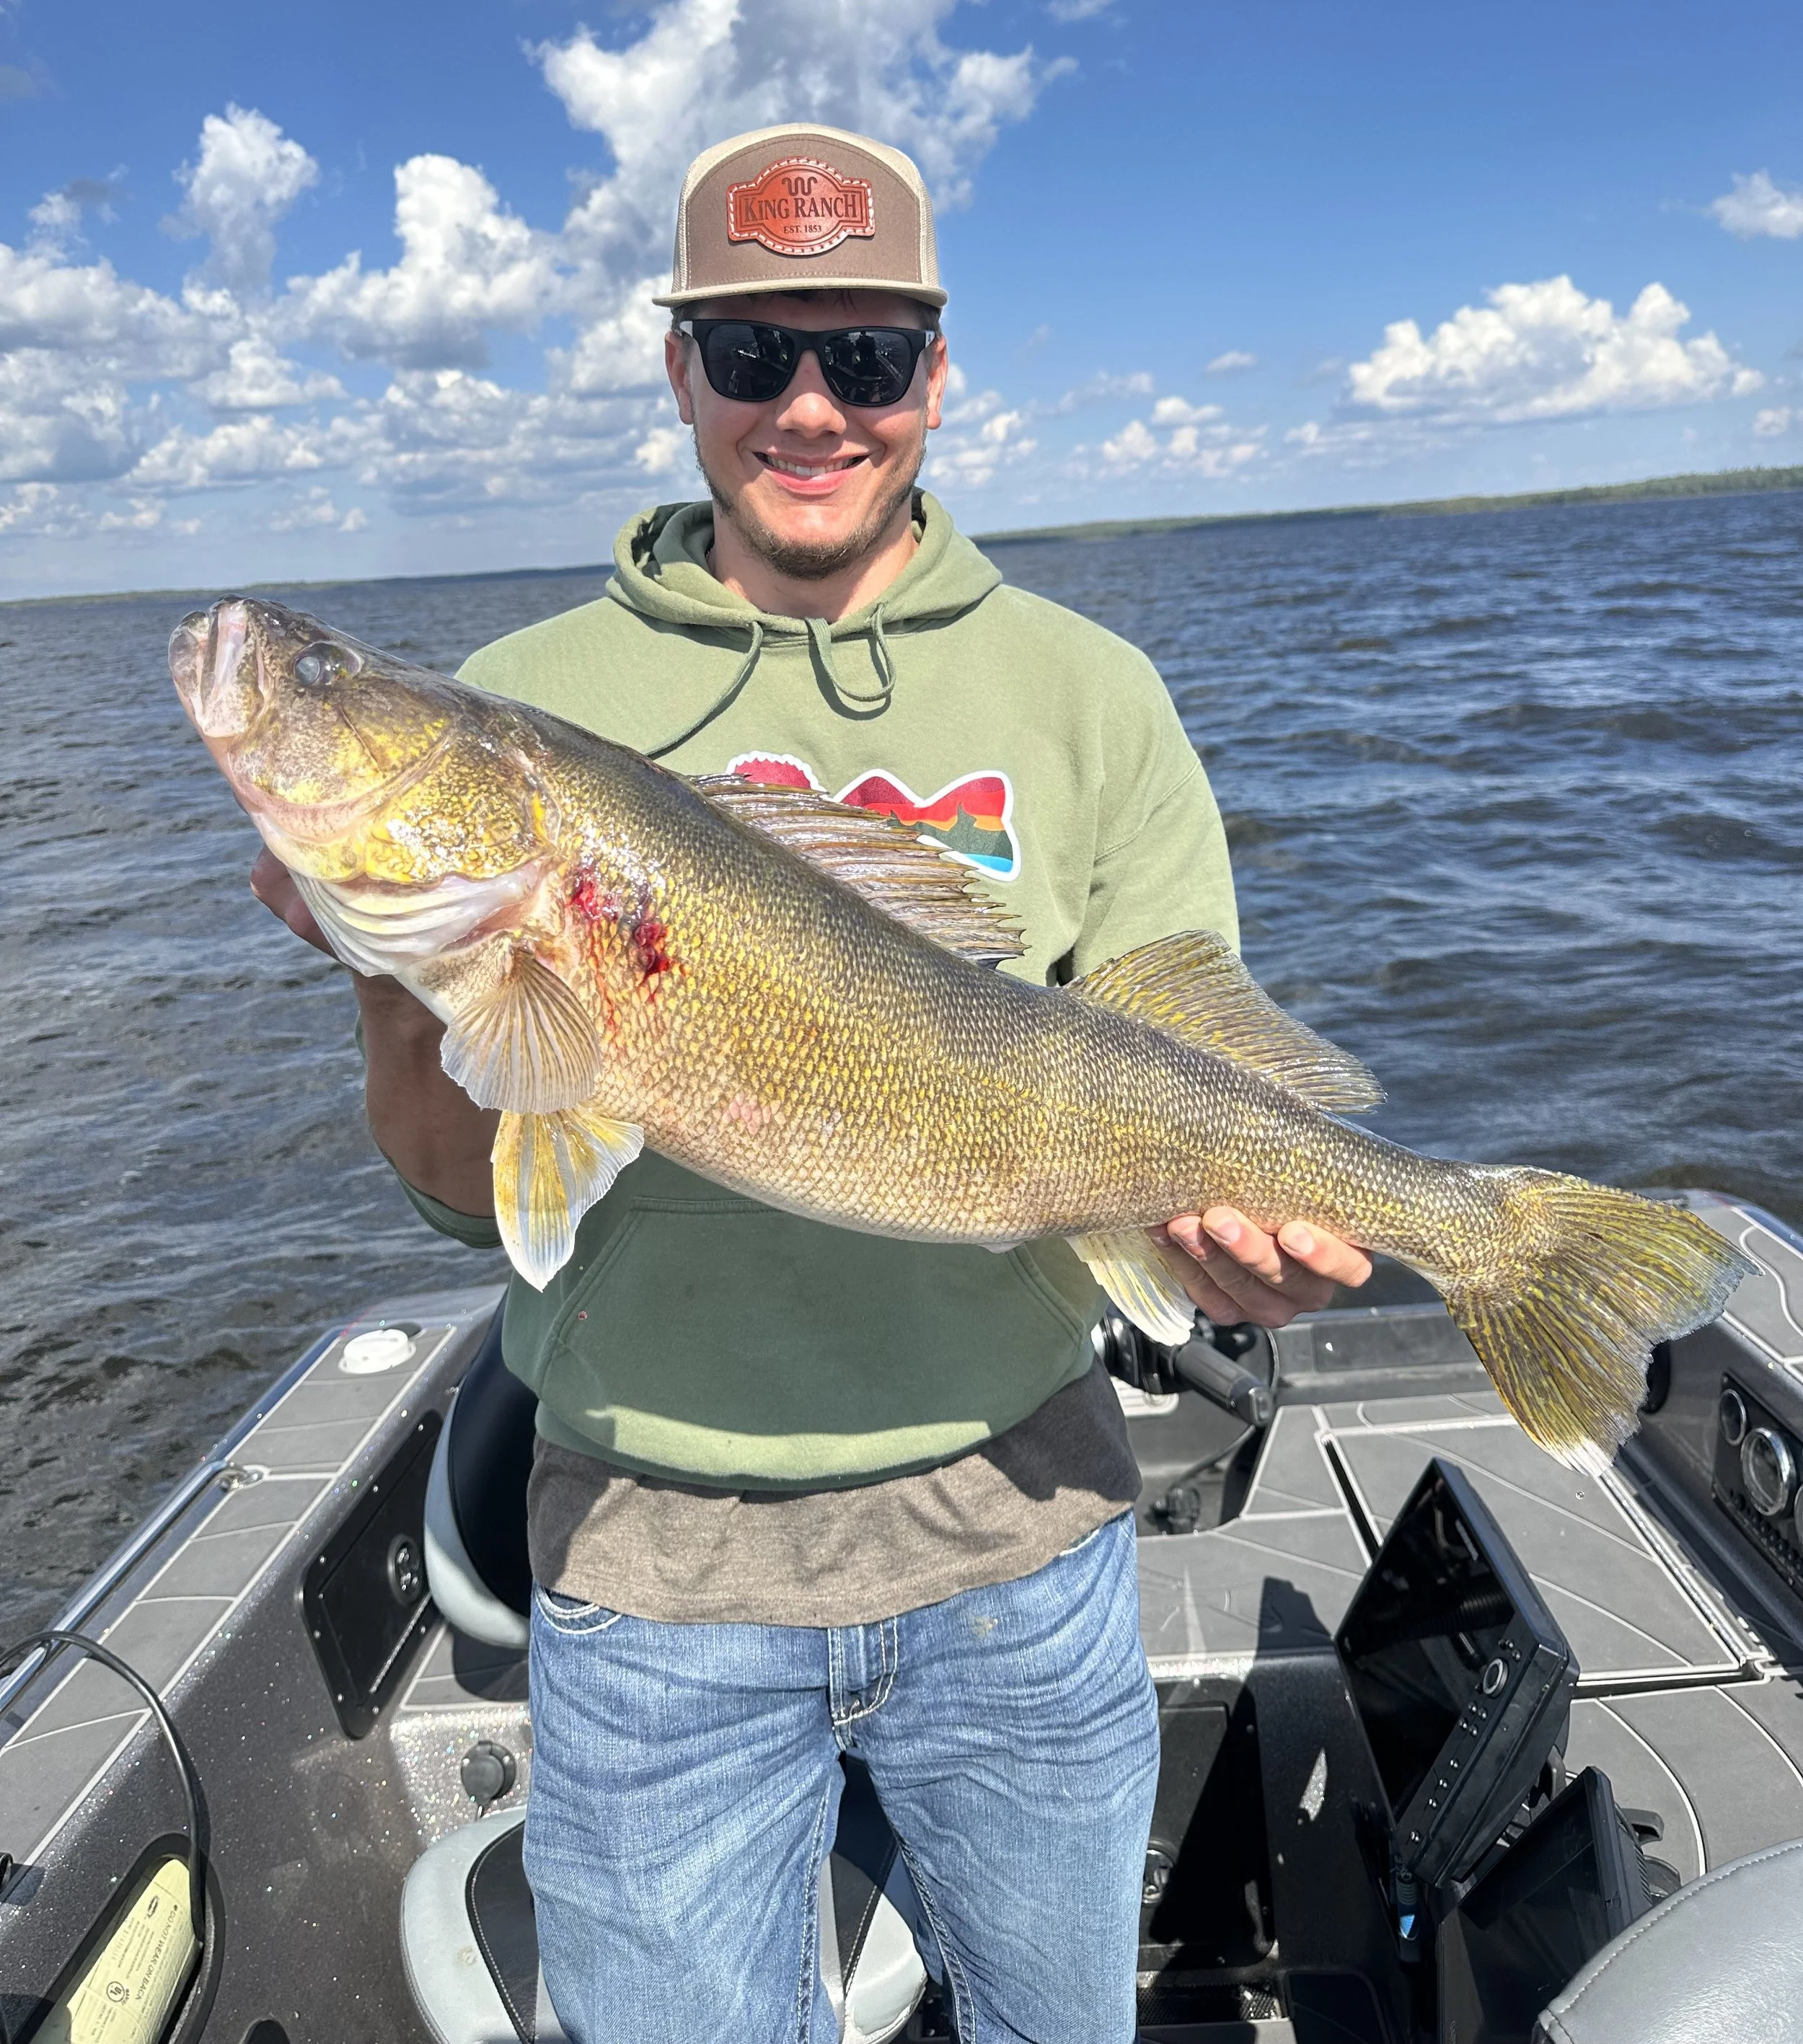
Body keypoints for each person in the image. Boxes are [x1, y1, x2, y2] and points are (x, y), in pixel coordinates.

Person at [252, 122, 1374, 2043]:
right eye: (754, 350)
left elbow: (1188, 1053)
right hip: (651, 1564)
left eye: (859, 357)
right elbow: (464, 1197)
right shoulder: (525, 696)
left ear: (934, 374)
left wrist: (1234, 1243)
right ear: (676, 364)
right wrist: (402, 972)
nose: (808, 407)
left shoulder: (1087, 690)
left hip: (1021, 1532)